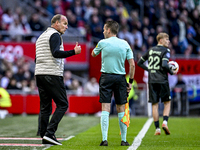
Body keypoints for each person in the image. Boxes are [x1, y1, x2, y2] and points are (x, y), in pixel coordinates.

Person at [35, 14, 81, 146]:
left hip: (39, 73)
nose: (67, 26)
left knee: (45, 107)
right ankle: (50, 133)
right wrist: (73, 52)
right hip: (52, 74)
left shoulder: (41, 36)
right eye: (64, 23)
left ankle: (44, 135)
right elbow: (55, 53)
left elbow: (36, 59)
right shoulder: (54, 35)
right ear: (56, 23)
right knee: (63, 104)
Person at [91, 20, 135, 146]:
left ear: (109, 30)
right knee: (121, 108)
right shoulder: (125, 44)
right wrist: (130, 82)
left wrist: (98, 49)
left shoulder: (102, 43)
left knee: (105, 108)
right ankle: (124, 140)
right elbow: (132, 65)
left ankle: (104, 139)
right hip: (120, 78)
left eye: (104, 29)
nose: (103, 31)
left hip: (106, 77)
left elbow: (93, 54)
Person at [137, 32, 178, 136]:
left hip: (152, 80)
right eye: (166, 39)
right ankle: (165, 122)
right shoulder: (166, 50)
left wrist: (149, 70)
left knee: (154, 105)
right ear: (160, 40)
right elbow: (164, 64)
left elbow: (139, 63)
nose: (168, 41)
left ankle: (157, 129)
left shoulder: (150, 50)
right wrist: (171, 72)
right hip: (162, 80)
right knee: (167, 102)